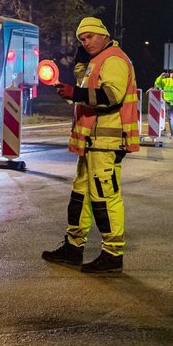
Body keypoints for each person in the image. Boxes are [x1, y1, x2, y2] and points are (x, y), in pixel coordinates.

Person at [42, 17, 140, 274]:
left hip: (106, 142)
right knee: (82, 194)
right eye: (81, 40)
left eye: (90, 37)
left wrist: (75, 93)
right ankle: (74, 247)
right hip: (93, 142)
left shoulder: (114, 59)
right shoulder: (97, 61)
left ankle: (112, 254)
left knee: (104, 196)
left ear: (104, 35)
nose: (86, 42)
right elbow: (84, 79)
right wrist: (77, 73)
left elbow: (111, 96)